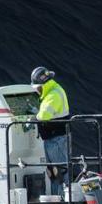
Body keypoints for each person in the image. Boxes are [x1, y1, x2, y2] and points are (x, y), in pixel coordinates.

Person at [30, 66, 70, 196]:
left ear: (42, 85)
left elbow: (44, 116)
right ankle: (58, 198)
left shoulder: (52, 95)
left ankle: (62, 201)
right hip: (56, 137)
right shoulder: (55, 90)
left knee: (59, 171)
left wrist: (33, 118)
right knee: (55, 171)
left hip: (56, 138)